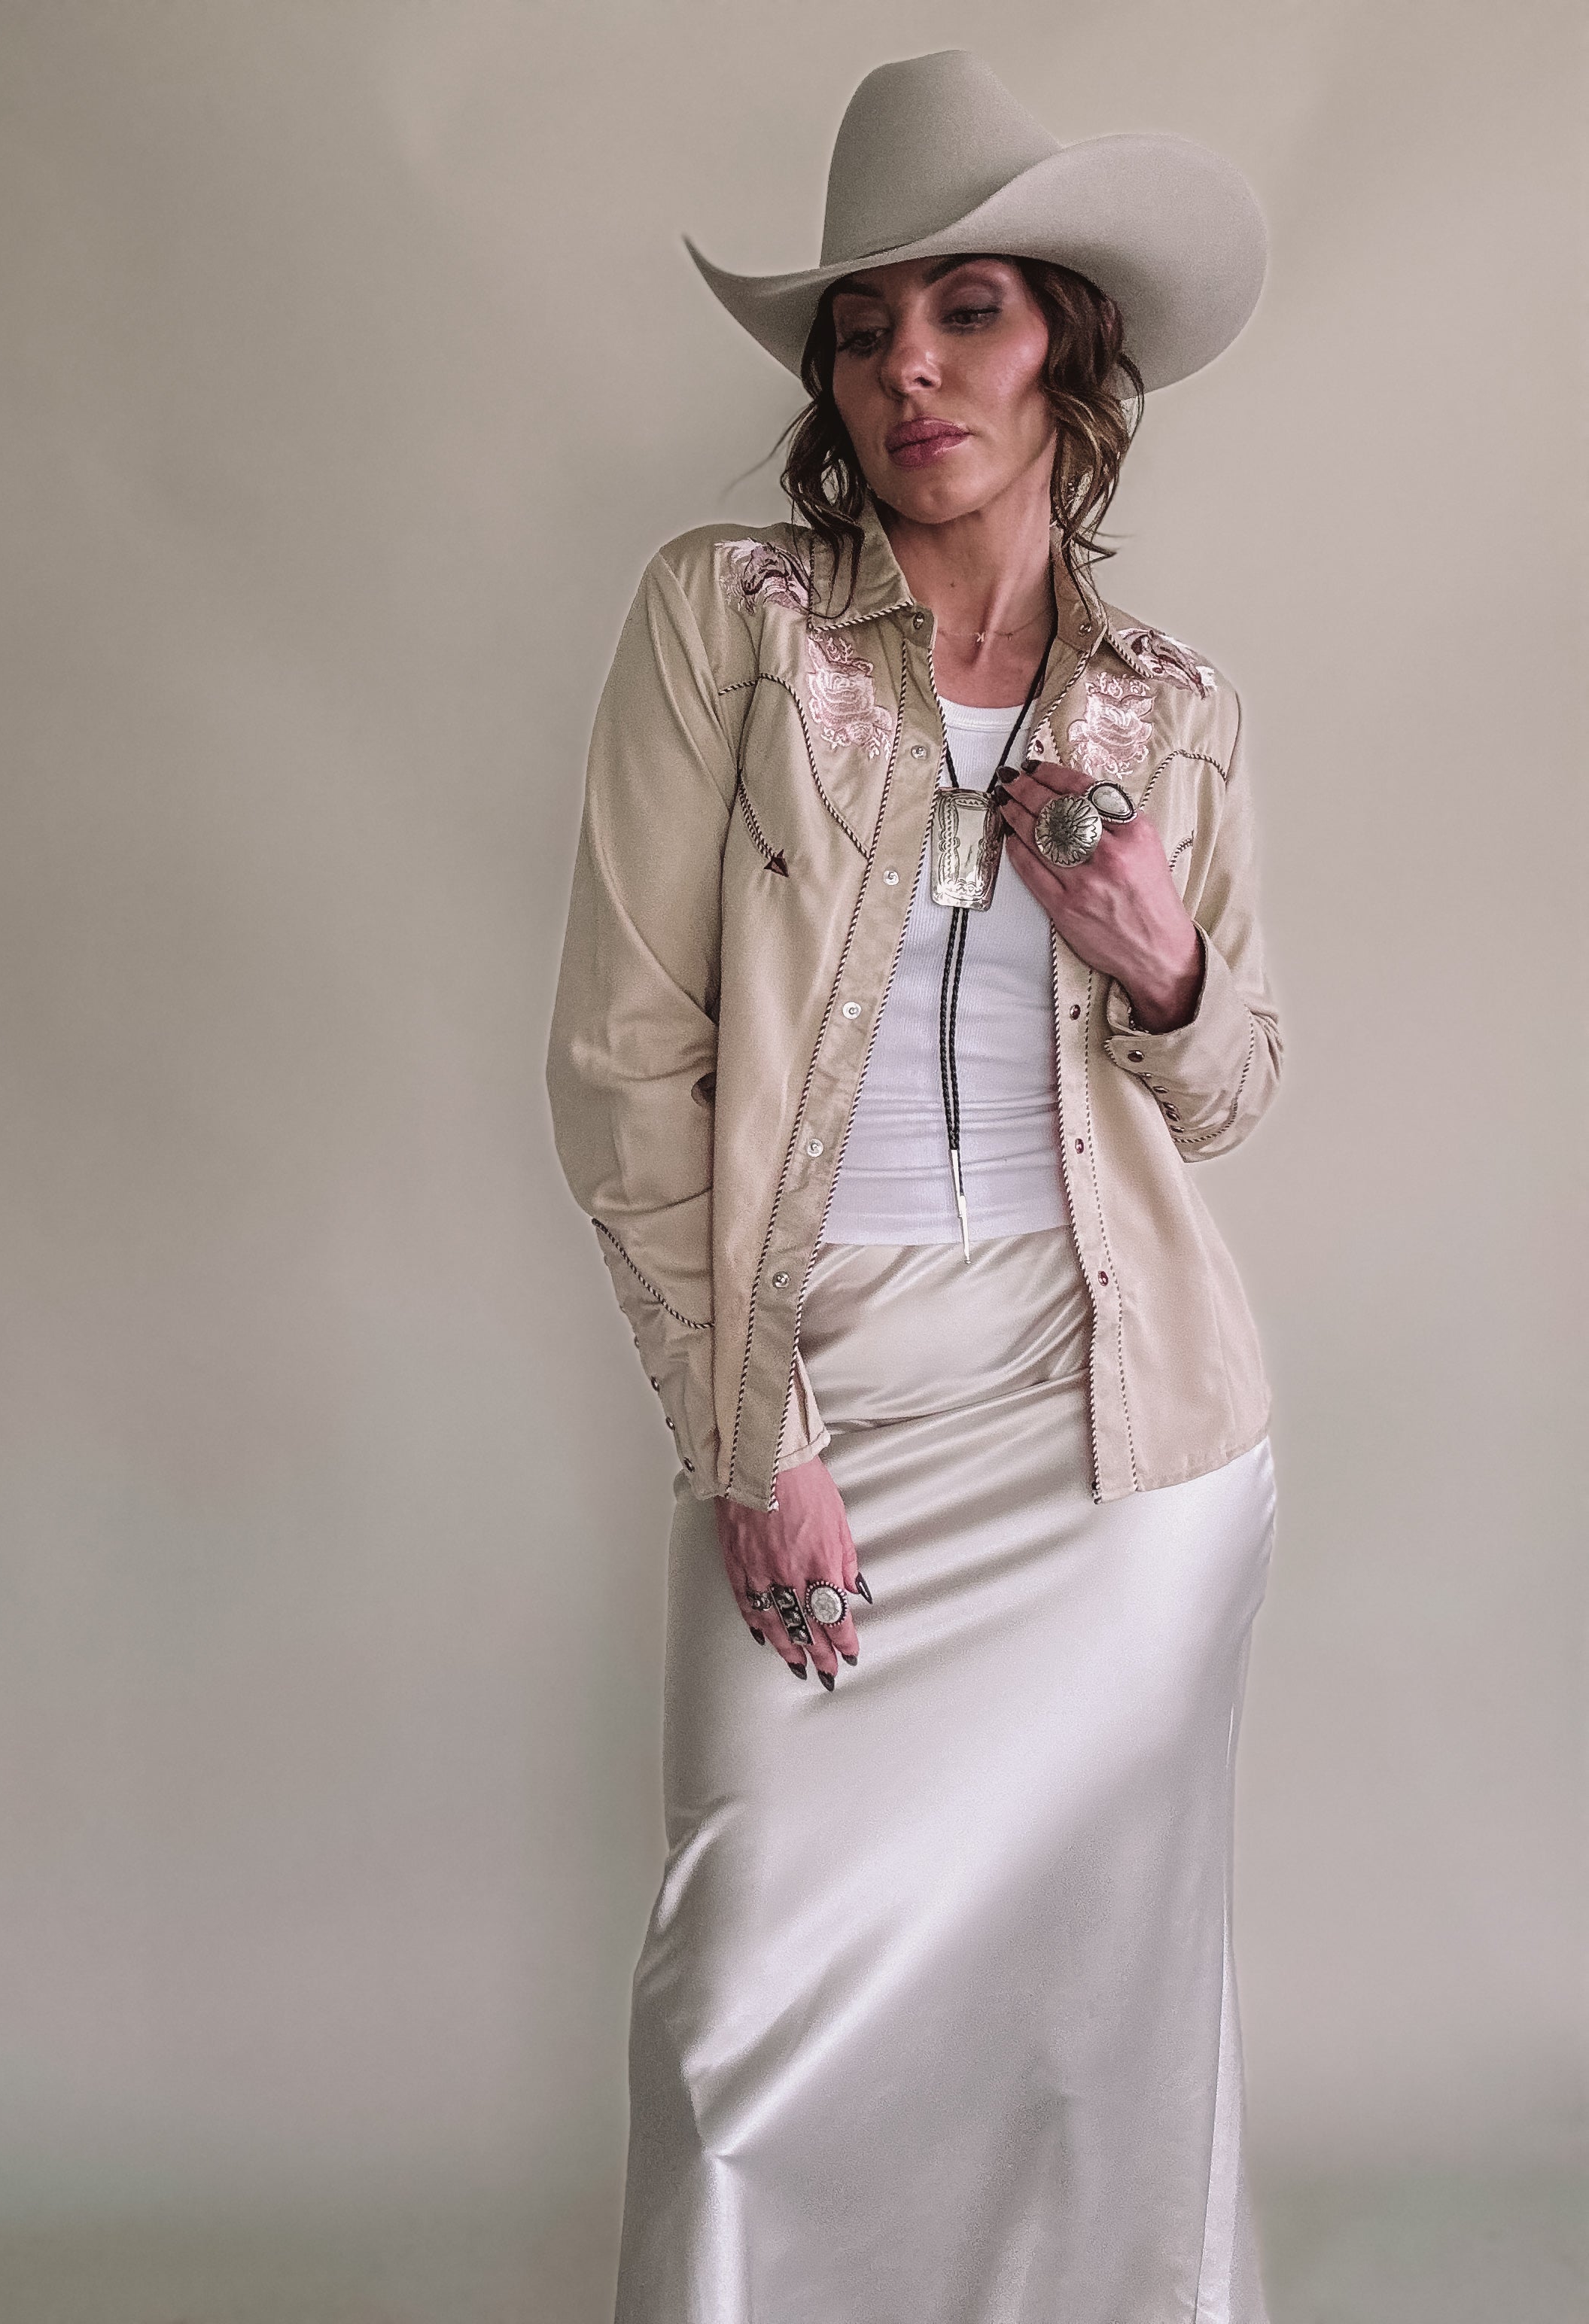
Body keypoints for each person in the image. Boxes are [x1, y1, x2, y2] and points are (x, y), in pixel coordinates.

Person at [546, 48, 1282, 2324]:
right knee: (743, 2008)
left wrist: (1159, 959)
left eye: (964, 311)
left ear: (1067, 341)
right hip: (822, 1379)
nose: (906, 371)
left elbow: (1237, 1082)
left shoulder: (1168, 709)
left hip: (1122, 1437)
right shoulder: (729, 622)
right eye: (866, 328)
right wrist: (748, 1435)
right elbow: (617, 1065)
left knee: (1092, 2041)